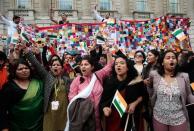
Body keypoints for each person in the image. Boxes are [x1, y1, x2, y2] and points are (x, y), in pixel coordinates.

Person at [23, 45, 71, 131]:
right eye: (53, 65)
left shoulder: (67, 80)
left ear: (62, 68)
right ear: (51, 68)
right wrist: (27, 52)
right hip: (50, 112)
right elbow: (37, 65)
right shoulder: (48, 77)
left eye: (58, 65)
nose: (55, 66)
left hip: (64, 113)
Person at [66, 45, 113, 131]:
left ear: (92, 67)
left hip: (100, 117)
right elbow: (72, 99)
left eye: (86, 64)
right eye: (81, 65)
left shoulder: (98, 75)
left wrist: (108, 52)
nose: (83, 66)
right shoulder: (76, 80)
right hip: (84, 119)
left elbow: (109, 66)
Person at [147, 50, 194, 131]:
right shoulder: (154, 75)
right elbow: (150, 88)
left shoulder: (184, 76)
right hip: (159, 117)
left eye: (173, 58)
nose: (171, 60)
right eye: (168, 58)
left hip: (179, 118)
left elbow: (189, 94)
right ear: (162, 62)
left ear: (176, 61)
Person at [100, 54, 148, 131]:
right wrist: (105, 108)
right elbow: (104, 101)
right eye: (116, 64)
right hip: (113, 119)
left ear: (128, 67)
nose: (118, 65)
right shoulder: (109, 82)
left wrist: (135, 103)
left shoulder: (136, 81)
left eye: (122, 63)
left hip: (131, 119)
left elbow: (144, 95)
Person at [0, 58, 44, 131]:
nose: (24, 70)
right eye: (20, 69)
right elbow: (2, 109)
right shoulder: (9, 87)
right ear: (14, 71)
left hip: (37, 126)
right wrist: (4, 128)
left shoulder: (38, 83)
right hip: (16, 127)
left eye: (26, 68)